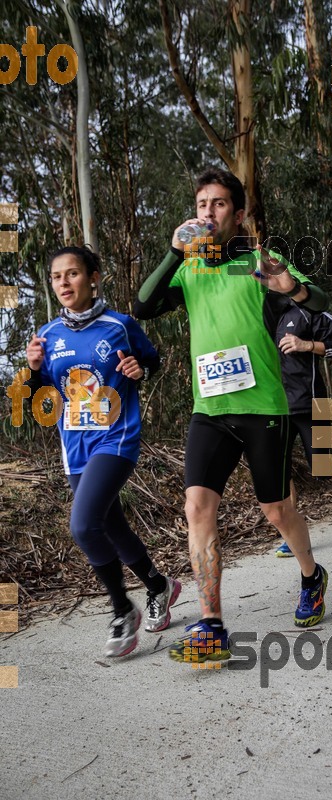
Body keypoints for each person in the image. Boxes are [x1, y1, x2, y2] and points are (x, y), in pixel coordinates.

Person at [134, 167, 330, 665]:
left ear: (237, 214)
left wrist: (295, 289)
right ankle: (211, 624)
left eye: (219, 204)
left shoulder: (258, 261)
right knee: (197, 508)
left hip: (263, 407)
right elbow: (142, 306)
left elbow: (319, 303)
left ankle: (311, 574)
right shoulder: (189, 266)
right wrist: (176, 252)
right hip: (210, 410)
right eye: (202, 204)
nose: (208, 212)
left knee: (276, 511)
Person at [26, 245, 181, 657]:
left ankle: (121, 610)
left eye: (73, 274)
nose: (64, 282)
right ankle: (158, 585)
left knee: (82, 525)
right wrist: (32, 370)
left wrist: (139, 370)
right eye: (57, 276)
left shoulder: (121, 324)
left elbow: (151, 361)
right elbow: (39, 399)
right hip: (75, 446)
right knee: (110, 526)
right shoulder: (47, 336)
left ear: (94, 278)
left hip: (116, 439)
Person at [274, 299, 332, 556]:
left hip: (313, 401)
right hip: (274, 407)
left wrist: (306, 344)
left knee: (322, 467)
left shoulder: (308, 308)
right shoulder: (259, 311)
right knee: (279, 473)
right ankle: (291, 536)